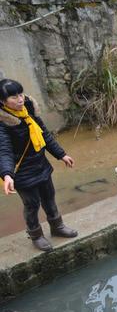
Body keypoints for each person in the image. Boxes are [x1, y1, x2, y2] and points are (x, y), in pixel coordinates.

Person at [0, 79, 77, 252]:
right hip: (21, 172)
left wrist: (61, 154)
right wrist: (6, 175)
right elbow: (3, 151)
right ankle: (36, 235)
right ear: (3, 101)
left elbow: (44, 135)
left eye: (20, 94)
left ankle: (57, 226)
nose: (20, 99)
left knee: (49, 196)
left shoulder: (28, 109)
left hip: (40, 164)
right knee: (32, 204)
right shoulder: (2, 123)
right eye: (14, 97)